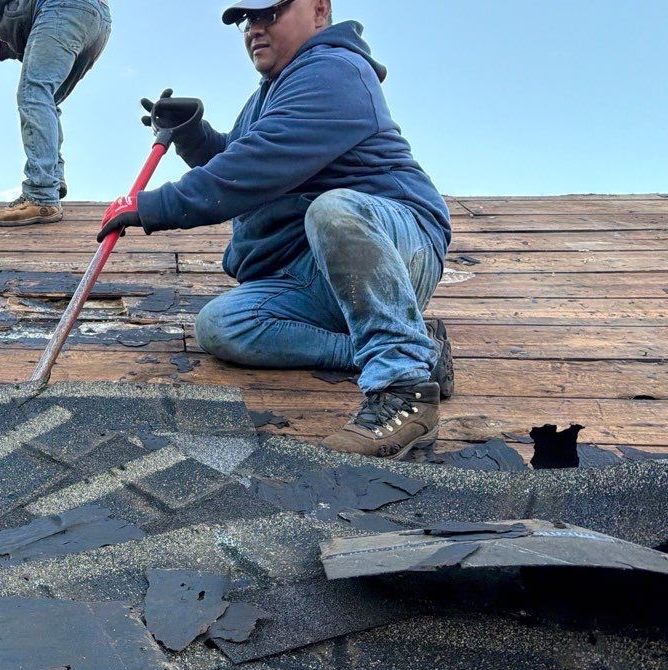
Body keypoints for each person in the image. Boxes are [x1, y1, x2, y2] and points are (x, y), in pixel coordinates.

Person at [97, 0, 454, 460]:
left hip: (395, 246)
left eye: (271, 13)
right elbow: (239, 157)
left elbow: (259, 165)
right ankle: (412, 346)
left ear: (320, 10)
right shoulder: (269, 91)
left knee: (335, 210)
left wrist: (157, 205)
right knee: (220, 325)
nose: (255, 29)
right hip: (311, 270)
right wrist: (192, 135)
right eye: (248, 20)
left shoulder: (336, 70)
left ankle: (404, 391)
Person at [0, 0, 111, 227]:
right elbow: (33, 22)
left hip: (62, 9)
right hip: (96, 20)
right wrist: (9, 49)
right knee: (47, 100)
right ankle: (52, 177)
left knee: (33, 95)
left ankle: (41, 195)